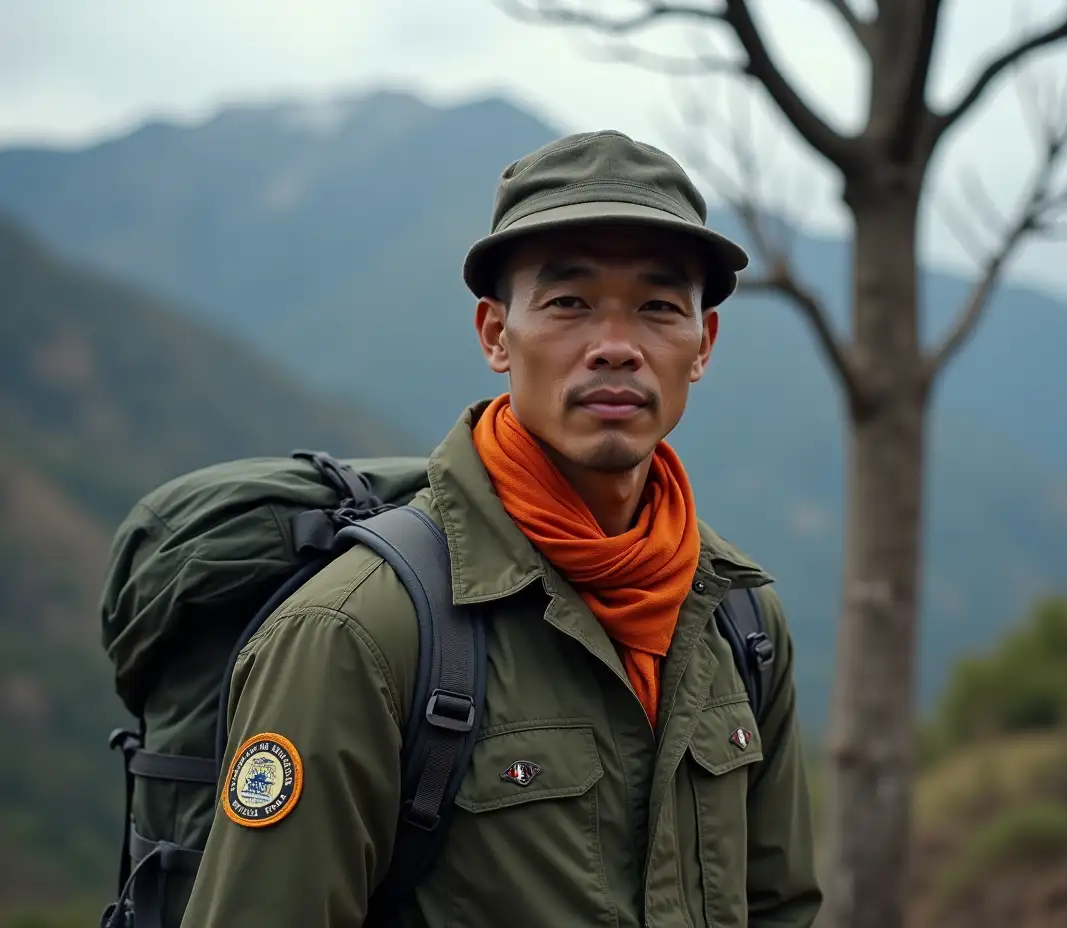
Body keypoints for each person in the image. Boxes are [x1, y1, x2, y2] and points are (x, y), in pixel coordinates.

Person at [181, 129, 822, 927]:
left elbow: (781, 907)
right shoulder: (364, 632)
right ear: (494, 334)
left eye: (659, 307)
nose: (616, 347)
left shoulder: (742, 622)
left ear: (703, 346)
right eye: (568, 304)